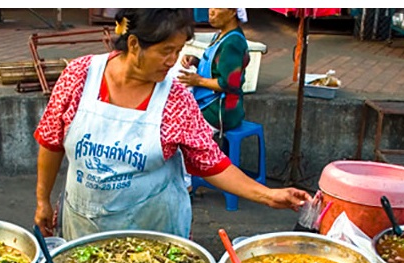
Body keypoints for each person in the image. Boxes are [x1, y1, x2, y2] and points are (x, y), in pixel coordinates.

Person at [33, 9, 311, 241]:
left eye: (178, 51)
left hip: (152, 230)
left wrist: (267, 195)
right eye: (166, 51)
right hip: (84, 223)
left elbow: (210, 162)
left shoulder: (175, 99)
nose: (173, 61)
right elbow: (51, 140)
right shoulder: (80, 76)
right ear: (133, 45)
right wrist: (43, 199)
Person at [177, 8, 250, 144]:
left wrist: (198, 81)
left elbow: (229, 83)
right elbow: (217, 69)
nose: (211, 11)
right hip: (208, 104)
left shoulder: (232, 43)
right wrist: (196, 61)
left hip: (221, 111)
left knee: (179, 134)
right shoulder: (221, 36)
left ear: (233, 11)